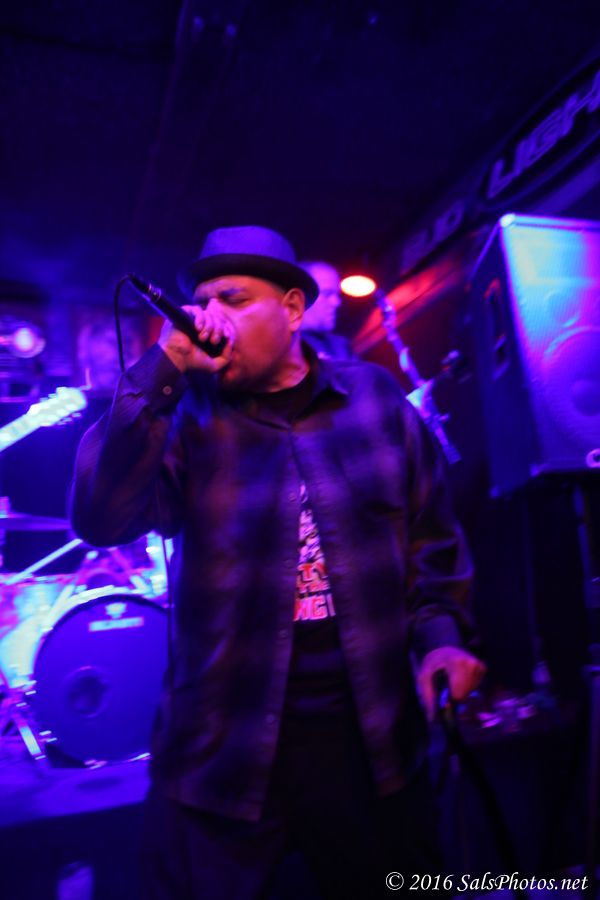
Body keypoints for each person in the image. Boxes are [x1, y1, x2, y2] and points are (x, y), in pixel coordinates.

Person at [70, 225, 485, 899]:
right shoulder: (184, 418)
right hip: (221, 750)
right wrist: (163, 366)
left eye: (233, 299)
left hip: (369, 744)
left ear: (292, 309)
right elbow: (99, 518)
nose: (211, 317)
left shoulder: (374, 400)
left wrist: (441, 639)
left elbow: (431, 542)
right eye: (202, 301)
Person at [299, 260, 355, 360]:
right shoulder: (280, 344)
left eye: (337, 295)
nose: (337, 302)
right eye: (327, 294)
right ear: (300, 297)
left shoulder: (342, 348)